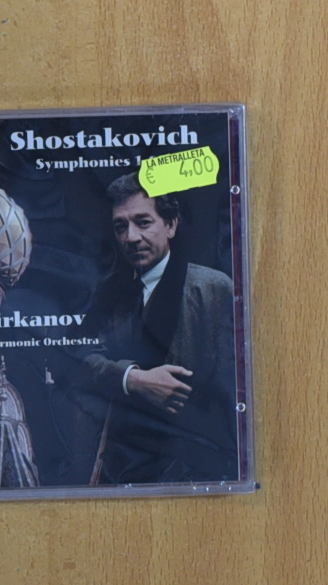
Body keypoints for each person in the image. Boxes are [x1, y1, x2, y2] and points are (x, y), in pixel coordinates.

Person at [79, 173, 238, 484]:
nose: (131, 237)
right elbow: (76, 359)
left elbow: (232, 392)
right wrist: (133, 379)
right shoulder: (109, 291)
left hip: (196, 469)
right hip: (122, 467)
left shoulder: (212, 288)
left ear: (171, 225)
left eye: (143, 222)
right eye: (120, 226)